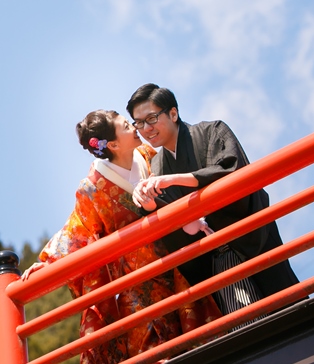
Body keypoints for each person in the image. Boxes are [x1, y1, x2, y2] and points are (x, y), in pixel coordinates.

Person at [23, 110, 221, 364]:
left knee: (199, 338)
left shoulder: (150, 157)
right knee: (151, 355)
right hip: (136, 279)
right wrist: (47, 263)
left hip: (176, 259)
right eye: (127, 125)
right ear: (113, 144)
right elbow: (77, 229)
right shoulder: (92, 188)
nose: (136, 128)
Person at [127, 83, 300, 318]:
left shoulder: (212, 131)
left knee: (292, 311)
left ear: (173, 113)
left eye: (152, 118)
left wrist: (177, 179)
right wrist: (149, 205)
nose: (146, 128)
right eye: (139, 123)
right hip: (218, 255)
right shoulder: (157, 167)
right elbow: (173, 222)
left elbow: (231, 169)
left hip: (249, 238)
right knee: (247, 325)